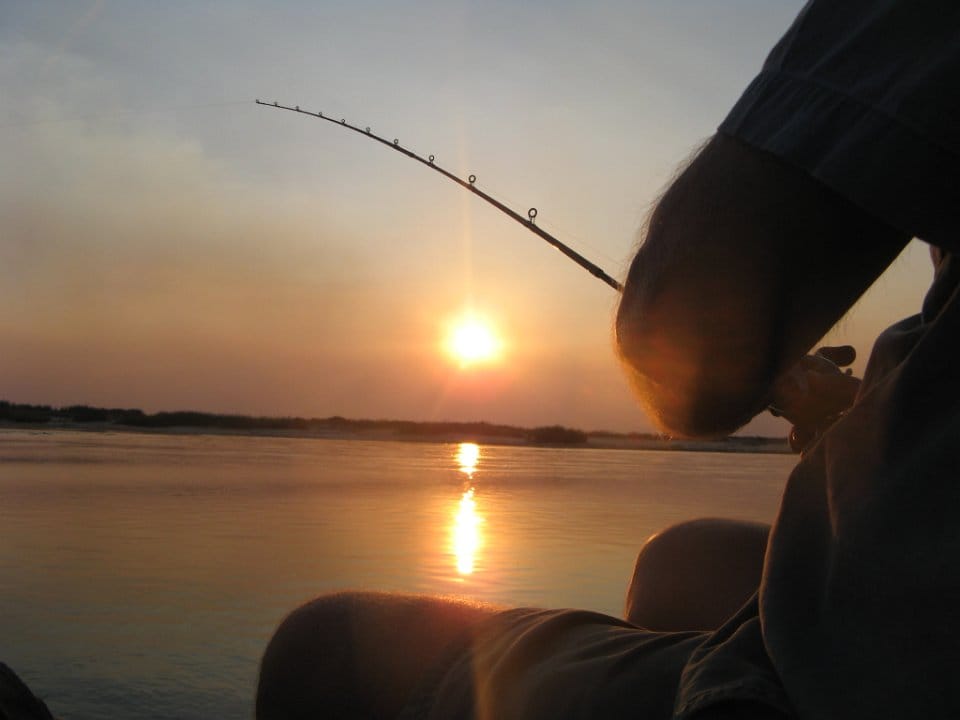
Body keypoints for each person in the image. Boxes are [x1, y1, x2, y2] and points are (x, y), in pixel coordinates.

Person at [255, 2, 960, 719]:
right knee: (678, 561)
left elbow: (685, 343)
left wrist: (745, 357)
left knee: (321, 647)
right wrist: (852, 416)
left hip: (914, 658)